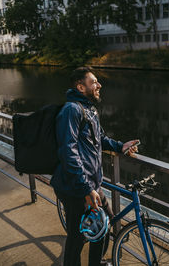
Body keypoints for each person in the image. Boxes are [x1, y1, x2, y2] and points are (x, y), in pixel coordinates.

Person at [50, 67, 139, 266]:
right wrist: (86, 189)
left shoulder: (89, 108)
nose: (99, 85)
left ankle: (95, 263)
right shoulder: (71, 110)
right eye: (94, 82)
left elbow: (99, 139)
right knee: (78, 236)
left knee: (104, 225)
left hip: (90, 184)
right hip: (75, 186)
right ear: (81, 87)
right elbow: (68, 152)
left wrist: (120, 146)